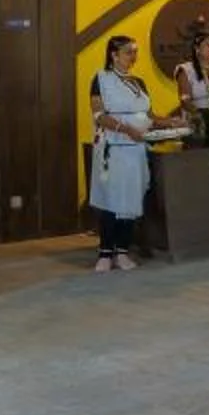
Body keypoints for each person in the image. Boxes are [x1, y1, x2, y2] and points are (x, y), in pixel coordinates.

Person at [89, 34, 155, 272]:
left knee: (131, 199)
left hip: (136, 150)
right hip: (114, 148)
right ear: (114, 55)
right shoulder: (101, 79)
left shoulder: (138, 82)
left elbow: (149, 116)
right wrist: (126, 129)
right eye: (128, 52)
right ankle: (105, 253)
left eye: (135, 52)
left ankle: (122, 251)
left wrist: (171, 122)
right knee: (111, 199)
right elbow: (99, 115)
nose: (133, 56)